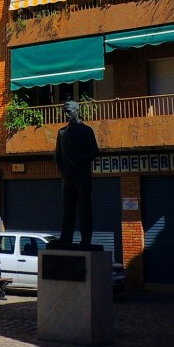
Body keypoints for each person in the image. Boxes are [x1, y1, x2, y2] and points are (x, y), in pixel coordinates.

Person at [54, 100, 100, 246]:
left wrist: (77, 161)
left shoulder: (86, 131)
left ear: (76, 111)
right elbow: (57, 156)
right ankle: (66, 237)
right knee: (67, 207)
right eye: (65, 112)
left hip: (82, 175)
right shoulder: (61, 133)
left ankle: (86, 239)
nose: (67, 115)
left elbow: (94, 152)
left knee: (84, 206)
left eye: (69, 112)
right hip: (67, 177)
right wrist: (63, 169)